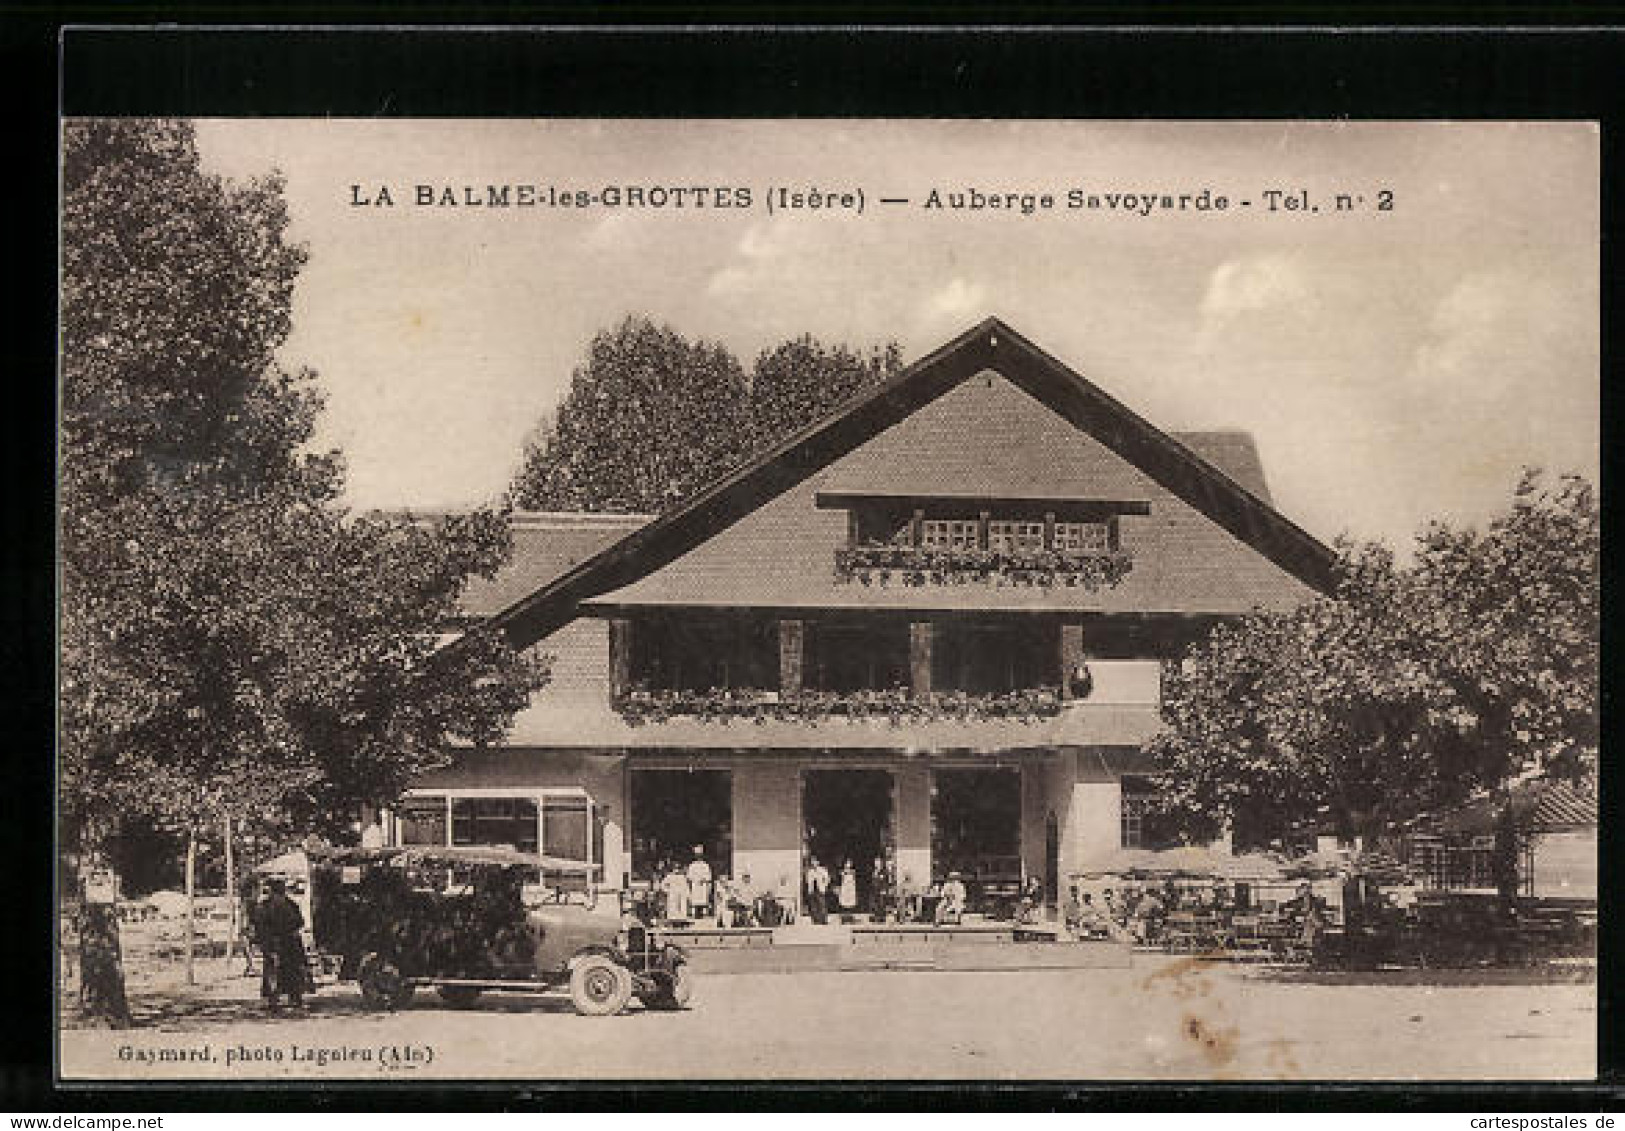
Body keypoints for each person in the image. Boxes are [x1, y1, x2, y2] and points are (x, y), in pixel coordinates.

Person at [251, 878, 311, 1011]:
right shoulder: (291, 904)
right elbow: (300, 922)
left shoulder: (264, 906)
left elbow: (259, 927)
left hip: (275, 943)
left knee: (273, 971)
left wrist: (263, 944)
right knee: (291, 971)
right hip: (289, 942)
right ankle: (294, 999)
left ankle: (273, 1000)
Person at [686, 846, 714, 922]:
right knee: (695, 902)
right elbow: (689, 877)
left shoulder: (705, 865)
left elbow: (708, 877)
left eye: (700, 855)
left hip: (703, 885)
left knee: (703, 901)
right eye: (697, 855)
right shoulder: (692, 865)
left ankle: (704, 916)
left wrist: (704, 879)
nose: (698, 857)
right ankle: (695, 916)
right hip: (695, 885)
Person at [661, 858, 691, 923]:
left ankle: (682, 918)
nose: (676, 870)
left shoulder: (682, 877)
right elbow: (663, 885)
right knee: (673, 906)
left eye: (678, 869)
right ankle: (672, 918)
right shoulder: (669, 876)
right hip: (672, 893)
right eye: (675, 869)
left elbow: (685, 886)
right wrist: (668, 891)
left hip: (681, 894)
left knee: (681, 906)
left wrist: (687, 894)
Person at [804, 856, 830, 924]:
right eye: (812, 862)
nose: (813, 863)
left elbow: (827, 879)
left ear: (818, 862)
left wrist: (824, 885)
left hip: (820, 888)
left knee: (821, 904)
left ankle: (823, 919)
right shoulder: (810, 871)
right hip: (812, 889)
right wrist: (810, 887)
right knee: (813, 904)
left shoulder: (822, 870)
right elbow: (807, 881)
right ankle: (816, 919)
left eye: (814, 861)